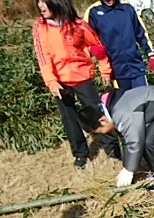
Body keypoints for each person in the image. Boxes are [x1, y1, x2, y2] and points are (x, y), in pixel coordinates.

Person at [33, 0, 121, 169]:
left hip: (83, 77)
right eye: (39, 2)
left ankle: (113, 149)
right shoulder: (40, 27)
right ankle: (80, 154)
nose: (40, 6)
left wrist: (105, 69)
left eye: (44, 2)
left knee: (98, 113)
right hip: (60, 81)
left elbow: (97, 47)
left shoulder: (79, 25)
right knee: (69, 118)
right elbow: (43, 57)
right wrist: (52, 82)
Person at [78, 85, 154, 187]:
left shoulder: (121, 113)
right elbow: (127, 142)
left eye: (100, 131)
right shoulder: (111, 111)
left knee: (151, 142)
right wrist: (127, 166)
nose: (103, 134)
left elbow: (135, 140)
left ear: (102, 120)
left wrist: (129, 170)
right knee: (147, 141)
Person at [84, 0, 154, 91]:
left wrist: (150, 54)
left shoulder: (127, 7)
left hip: (136, 67)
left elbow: (140, 33)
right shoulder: (94, 11)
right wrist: (104, 70)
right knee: (125, 99)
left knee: (144, 97)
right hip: (116, 71)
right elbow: (91, 43)